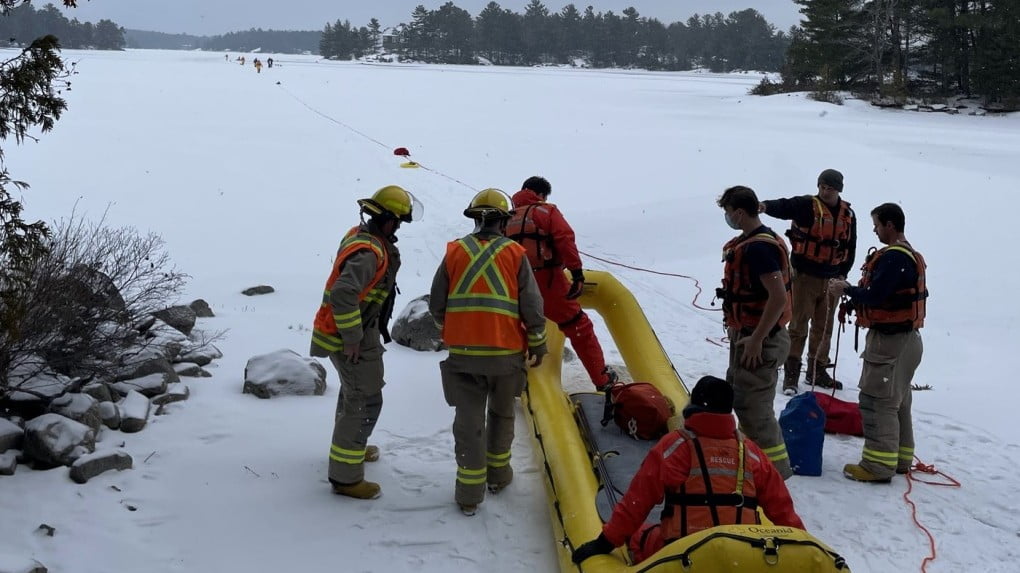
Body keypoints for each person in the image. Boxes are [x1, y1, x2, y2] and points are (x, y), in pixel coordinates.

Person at [572, 376, 805, 564]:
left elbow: (637, 501)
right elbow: (783, 510)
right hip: (742, 555)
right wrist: (804, 547)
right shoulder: (751, 453)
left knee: (639, 535)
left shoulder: (675, 447)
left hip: (685, 556)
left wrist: (604, 543)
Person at [430, 189, 548, 516]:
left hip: (463, 356)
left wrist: (457, 327)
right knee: (502, 414)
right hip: (506, 355)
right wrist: (538, 341)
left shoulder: (455, 251)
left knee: (468, 421)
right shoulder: (515, 253)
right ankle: (498, 476)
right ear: (504, 221)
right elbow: (532, 305)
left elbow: (436, 302)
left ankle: (469, 493)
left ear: (475, 218)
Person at [310, 185, 423, 500]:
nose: (398, 228)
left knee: (353, 394)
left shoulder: (361, 236)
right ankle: (346, 477)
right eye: (397, 222)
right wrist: (352, 339)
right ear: (387, 220)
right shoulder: (369, 251)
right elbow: (344, 293)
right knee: (365, 400)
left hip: (351, 330)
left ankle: (351, 448)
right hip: (350, 334)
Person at [828, 203, 926, 483]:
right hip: (908, 341)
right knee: (899, 401)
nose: (874, 230)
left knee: (877, 400)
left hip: (891, 342)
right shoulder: (909, 254)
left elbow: (876, 295)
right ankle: (900, 459)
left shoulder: (895, 258)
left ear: (890, 225)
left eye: (877, 225)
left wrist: (845, 289)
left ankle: (877, 465)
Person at [507, 176, 617, 391]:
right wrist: (576, 273)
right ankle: (602, 380)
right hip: (548, 281)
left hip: (515, 283)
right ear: (541, 195)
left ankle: (514, 381)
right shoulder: (546, 211)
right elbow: (564, 238)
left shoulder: (507, 217)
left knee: (518, 328)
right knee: (578, 327)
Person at [716, 185, 794, 478]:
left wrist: (756, 340)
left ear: (738, 212)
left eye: (727, 212)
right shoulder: (755, 241)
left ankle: (775, 473)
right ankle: (754, 465)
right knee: (744, 401)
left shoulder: (760, 248)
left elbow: (778, 297)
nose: (727, 218)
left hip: (759, 339)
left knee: (755, 411)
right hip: (748, 335)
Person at [760, 169, 857, 394]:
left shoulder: (848, 215)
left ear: (838, 190)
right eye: (822, 186)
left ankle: (817, 369)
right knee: (798, 326)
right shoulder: (806, 205)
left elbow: (850, 246)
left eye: (829, 188)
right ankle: (791, 374)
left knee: (824, 328)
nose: (824, 191)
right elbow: (784, 206)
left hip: (832, 279)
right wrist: (764, 206)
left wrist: (843, 273)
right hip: (804, 276)